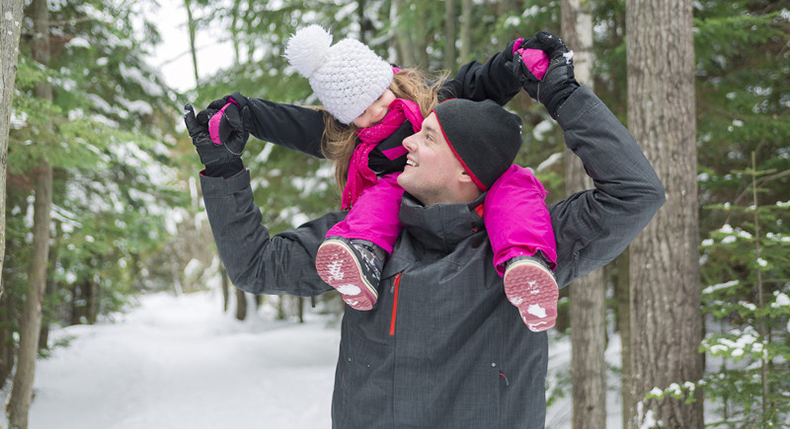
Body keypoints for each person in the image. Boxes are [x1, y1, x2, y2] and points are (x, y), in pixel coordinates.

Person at [184, 31, 666, 428]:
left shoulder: (536, 240)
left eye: (428, 136)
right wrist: (224, 168)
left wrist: (561, 92)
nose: (407, 140)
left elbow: (636, 193)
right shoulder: (357, 239)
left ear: (464, 168)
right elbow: (255, 266)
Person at [205, 25, 558, 330]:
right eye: (360, 111)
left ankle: (526, 264)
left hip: (473, 183)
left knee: (514, 189)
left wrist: (516, 63)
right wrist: (244, 112)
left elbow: (481, 81)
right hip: (402, 204)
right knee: (383, 195)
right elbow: (292, 125)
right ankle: (360, 254)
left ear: (388, 79)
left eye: (377, 96)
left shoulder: (434, 100)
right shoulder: (354, 143)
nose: (375, 111)